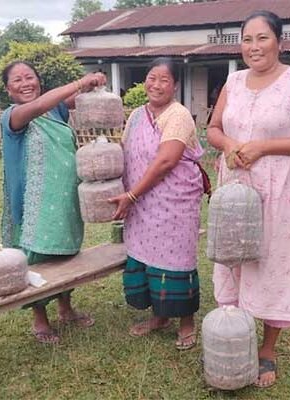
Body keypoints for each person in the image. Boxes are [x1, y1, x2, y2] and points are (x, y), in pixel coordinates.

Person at [207, 11, 290, 388]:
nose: (254, 47)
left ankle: (267, 349)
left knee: (272, 261)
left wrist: (263, 147)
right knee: (234, 257)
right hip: (234, 191)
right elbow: (213, 128)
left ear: (279, 41)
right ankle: (235, 335)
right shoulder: (233, 81)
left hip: (279, 192)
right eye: (247, 39)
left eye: (262, 38)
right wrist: (230, 144)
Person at [0, 61, 105, 344]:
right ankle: (40, 318)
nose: (25, 84)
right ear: (8, 89)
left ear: (39, 80)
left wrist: (92, 85)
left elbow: (70, 99)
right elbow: (41, 104)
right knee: (36, 258)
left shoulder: (54, 110)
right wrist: (80, 82)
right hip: (35, 204)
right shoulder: (13, 116)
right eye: (18, 80)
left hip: (65, 198)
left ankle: (66, 308)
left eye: (30, 77)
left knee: (64, 253)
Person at [108, 57, 205, 351]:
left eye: (164, 80)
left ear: (175, 85)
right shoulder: (137, 115)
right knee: (147, 256)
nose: (156, 85)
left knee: (177, 258)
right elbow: (125, 150)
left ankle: (186, 324)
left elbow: (166, 161)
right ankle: (159, 317)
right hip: (141, 202)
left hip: (174, 202)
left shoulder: (179, 115)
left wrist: (132, 195)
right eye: (152, 78)